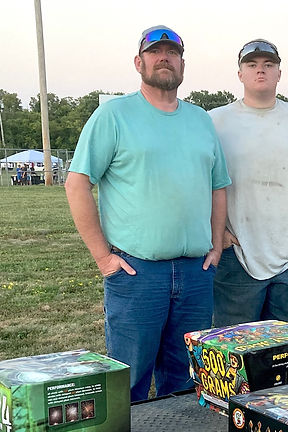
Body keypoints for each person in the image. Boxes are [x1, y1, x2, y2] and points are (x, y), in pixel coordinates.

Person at [66, 24, 230, 401]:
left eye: (172, 52)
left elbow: (218, 186)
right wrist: (102, 257)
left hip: (195, 272)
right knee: (130, 380)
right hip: (137, 272)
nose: (164, 58)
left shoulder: (200, 120)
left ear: (182, 64)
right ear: (138, 62)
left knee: (188, 380)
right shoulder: (114, 115)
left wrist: (217, 246)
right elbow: (77, 184)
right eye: (156, 52)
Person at [209, 39, 288, 326]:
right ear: (240, 74)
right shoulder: (215, 121)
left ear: (280, 72)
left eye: (268, 65)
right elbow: (198, 182)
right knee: (236, 348)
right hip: (236, 254)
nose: (260, 71)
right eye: (251, 65)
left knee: (284, 349)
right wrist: (218, 233)